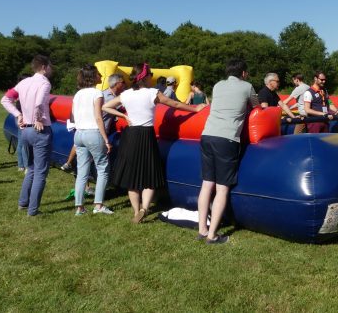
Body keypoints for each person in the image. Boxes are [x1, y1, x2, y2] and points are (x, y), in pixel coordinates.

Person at [102, 63, 205, 224]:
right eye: (150, 74)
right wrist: (195, 109)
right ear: (145, 77)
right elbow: (176, 104)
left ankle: (136, 211)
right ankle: (144, 208)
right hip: (146, 135)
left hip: (131, 135)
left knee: (131, 177)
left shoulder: (126, 94)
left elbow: (105, 106)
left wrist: (124, 117)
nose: (152, 77)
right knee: (149, 174)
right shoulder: (152, 93)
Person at [197, 59, 259, 244]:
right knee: (222, 188)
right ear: (244, 73)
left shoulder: (217, 85)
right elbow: (257, 107)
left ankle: (202, 229)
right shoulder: (247, 86)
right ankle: (213, 235)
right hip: (227, 138)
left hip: (207, 135)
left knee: (207, 184)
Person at [1, 55, 53, 216]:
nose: (51, 69)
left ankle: (23, 203)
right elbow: (39, 102)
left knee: (31, 168)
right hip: (40, 130)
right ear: (44, 67)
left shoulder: (23, 82)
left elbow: (5, 100)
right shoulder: (44, 83)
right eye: (50, 66)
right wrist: (38, 118)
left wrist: (18, 115)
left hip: (25, 131)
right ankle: (33, 210)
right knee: (40, 172)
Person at [72, 65, 114, 216]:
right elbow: (98, 117)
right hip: (93, 133)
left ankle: (79, 207)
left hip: (79, 134)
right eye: (98, 75)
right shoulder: (97, 93)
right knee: (102, 168)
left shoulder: (78, 94)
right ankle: (98, 204)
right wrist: (106, 139)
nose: (101, 77)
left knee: (82, 170)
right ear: (92, 77)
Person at [0, 74, 31, 173]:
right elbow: (5, 100)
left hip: (18, 117)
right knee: (24, 143)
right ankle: (26, 166)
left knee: (21, 142)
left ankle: (21, 165)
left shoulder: (18, 90)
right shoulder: (23, 90)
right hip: (21, 117)